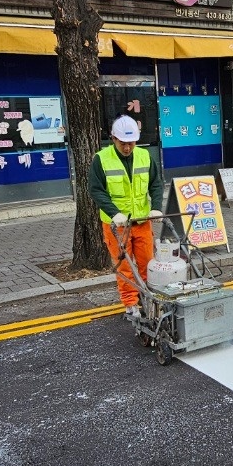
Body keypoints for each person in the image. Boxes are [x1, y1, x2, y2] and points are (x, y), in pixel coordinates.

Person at [90, 115, 163, 317]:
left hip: (141, 221)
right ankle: (130, 303)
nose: (127, 148)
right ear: (113, 138)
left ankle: (149, 297)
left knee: (147, 262)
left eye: (131, 143)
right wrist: (114, 213)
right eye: (123, 143)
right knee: (124, 265)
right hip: (117, 225)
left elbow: (156, 183)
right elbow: (96, 190)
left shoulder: (145, 156)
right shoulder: (101, 159)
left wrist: (156, 206)